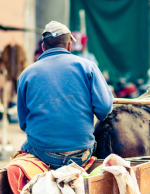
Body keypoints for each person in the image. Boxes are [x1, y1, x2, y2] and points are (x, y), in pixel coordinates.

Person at [17, 21, 114, 169]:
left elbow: (23, 123)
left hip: (42, 153)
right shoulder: (88, 67)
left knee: (25, 145)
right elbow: (104, 109)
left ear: (43, 47)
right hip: (82, 154)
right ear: (69, 46)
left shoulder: (26, 75)